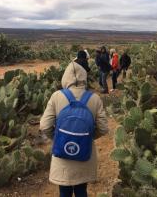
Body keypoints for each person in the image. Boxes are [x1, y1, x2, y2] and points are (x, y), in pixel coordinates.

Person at [40, 61, 108, 197]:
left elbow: (44, 126)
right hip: (84, 154)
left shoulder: (56, 96)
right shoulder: (95, 99)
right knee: (81, 190)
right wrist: (87, 137)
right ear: (84, 78)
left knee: (64, 192)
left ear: (65, 78)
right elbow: (103, 128)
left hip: (62, 155)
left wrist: (59, 137)